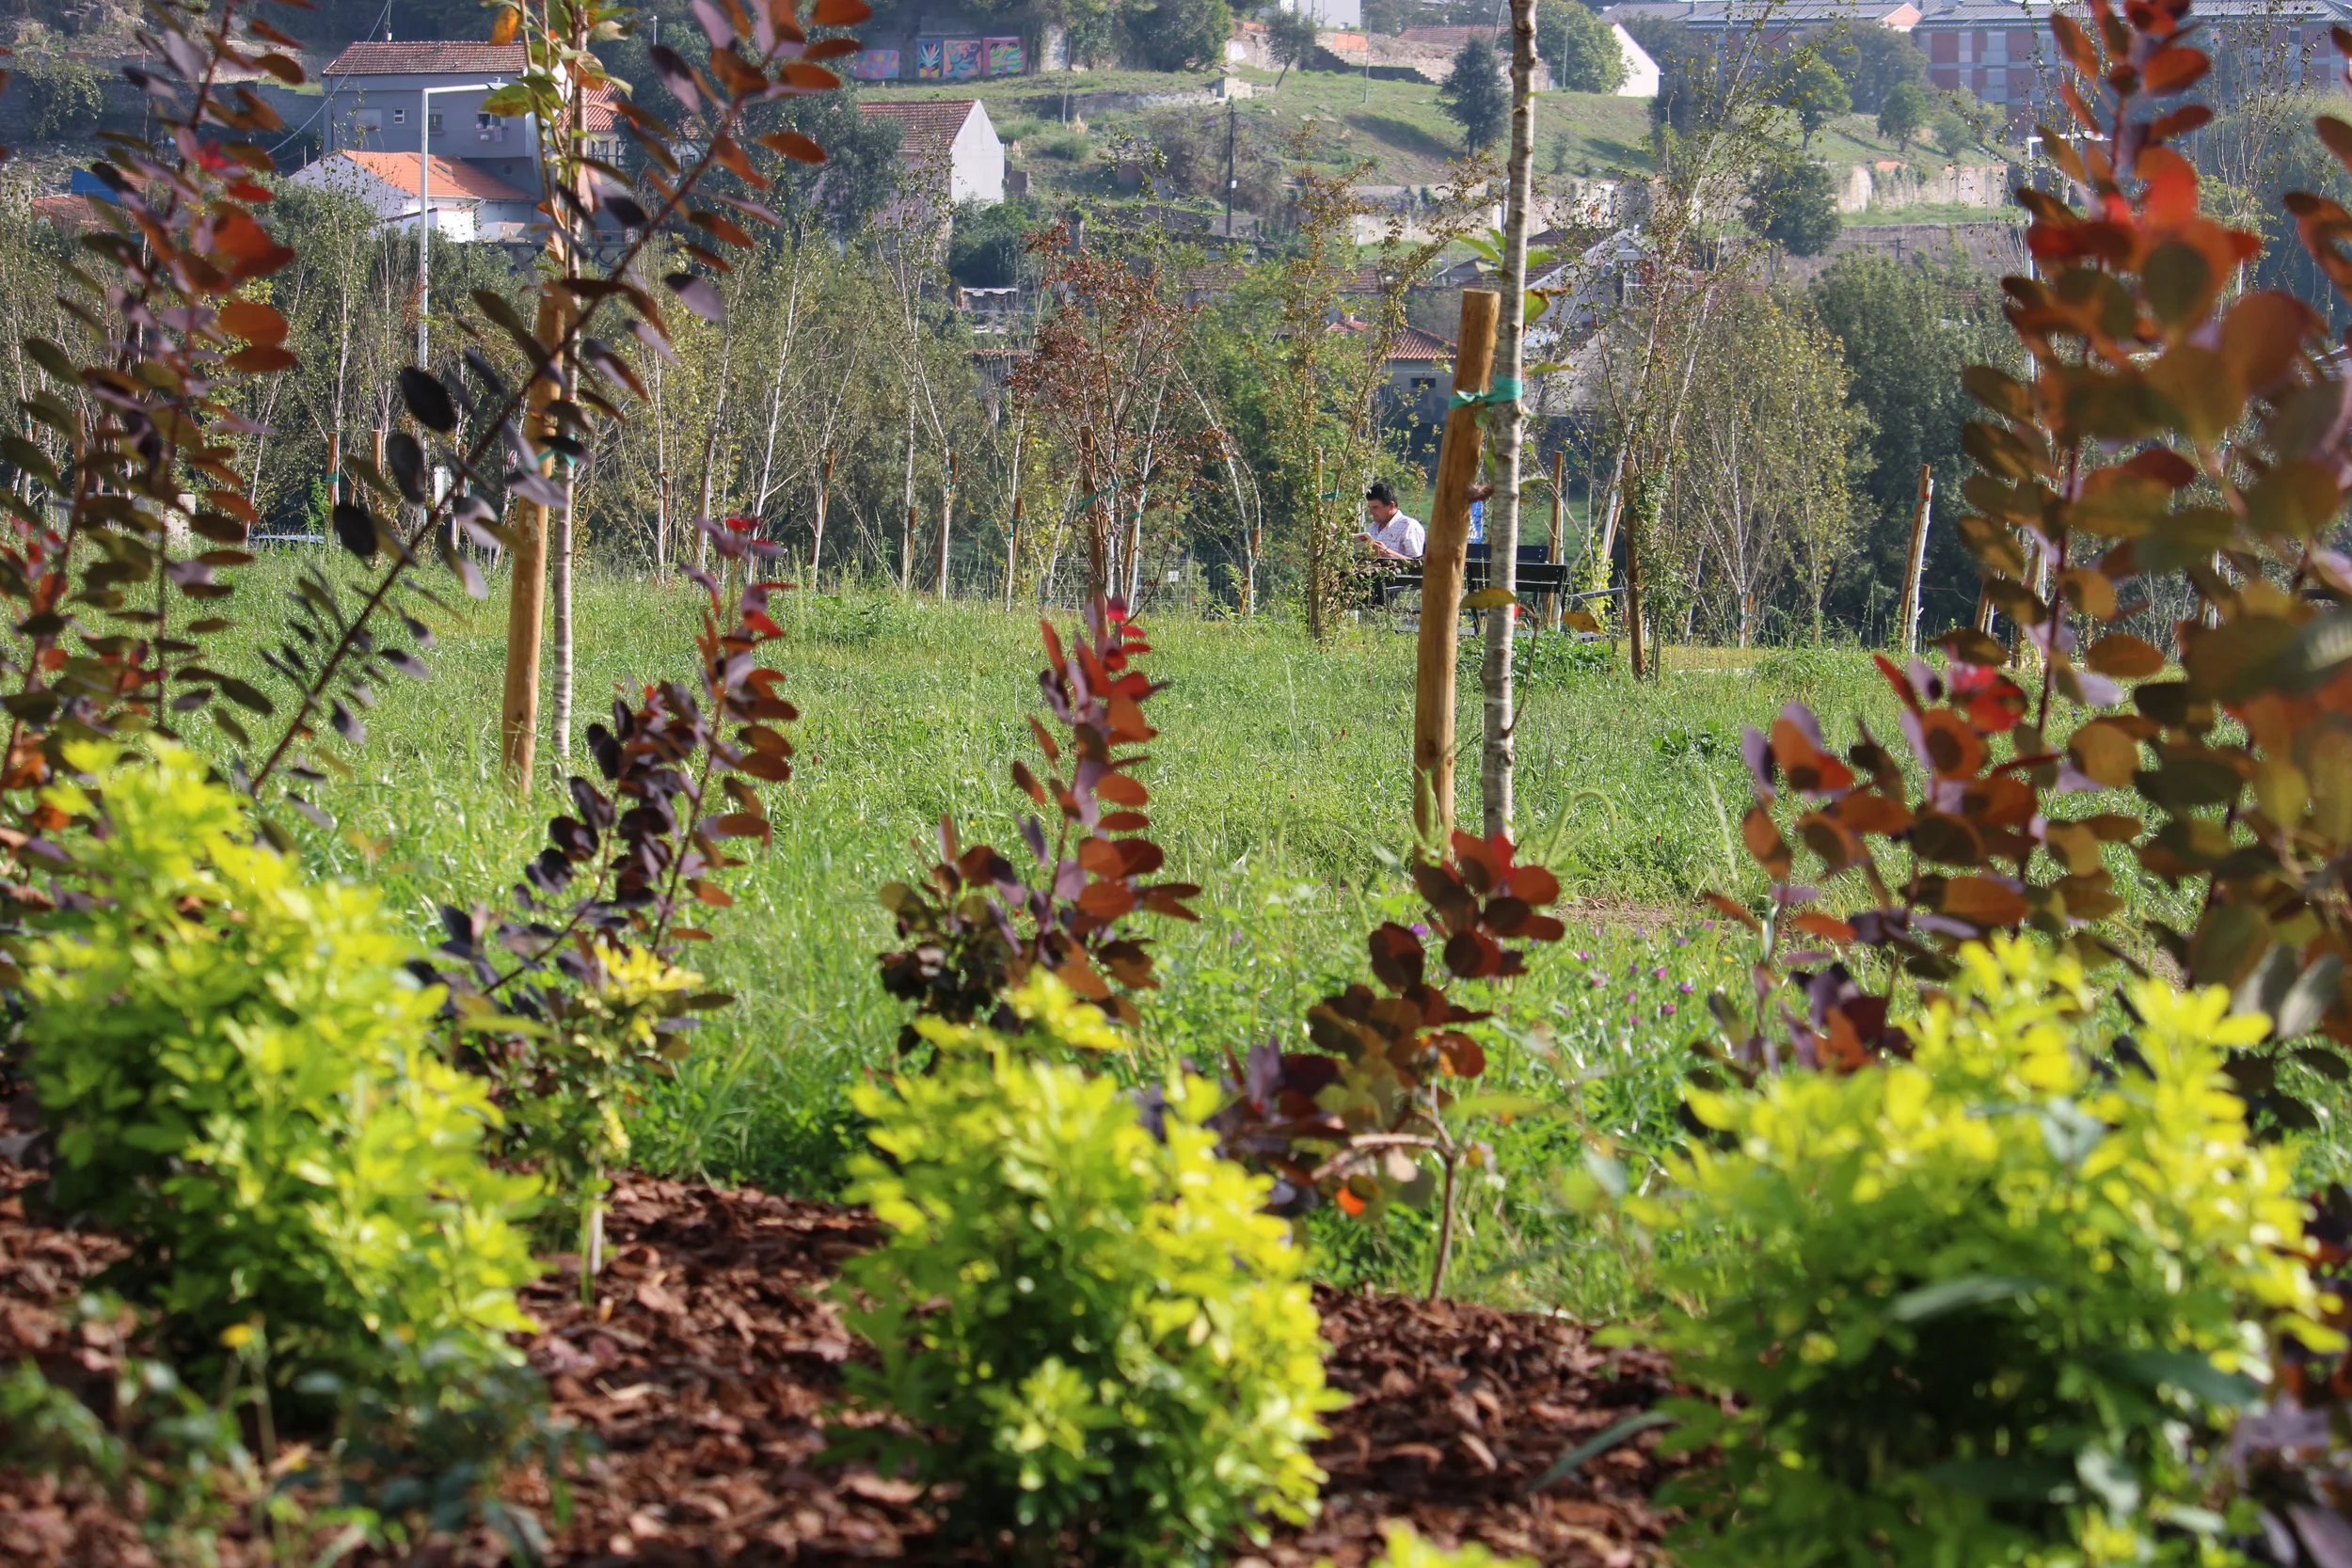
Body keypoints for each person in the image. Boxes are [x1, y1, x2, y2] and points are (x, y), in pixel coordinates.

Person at [1360, 482, 1425, 561]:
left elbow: (1417, 565)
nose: (1371, 512)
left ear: (1391, 506)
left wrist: (1388, 553)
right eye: (1369, 507)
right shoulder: (1373, 527)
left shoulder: (1409, 526)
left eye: (1375, 507)